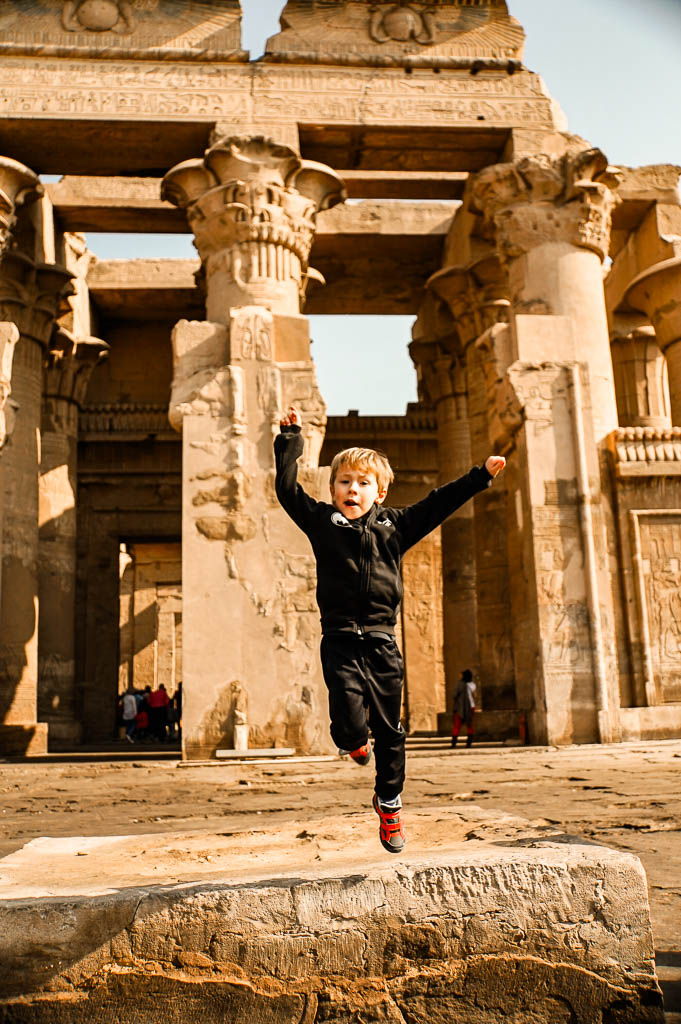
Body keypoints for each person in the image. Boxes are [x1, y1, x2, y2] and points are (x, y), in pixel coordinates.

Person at [275, 405, 505, 854]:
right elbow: (286, 490)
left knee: (392, 730)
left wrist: (479, 477)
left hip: (382, 640)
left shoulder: (394, 526)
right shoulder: (322, 524)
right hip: (340, 637)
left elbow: (438, 503)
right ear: (333, 488)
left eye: (363, 483)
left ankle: (390, 804)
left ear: (380, 491)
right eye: (345, 482)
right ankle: (352, 741)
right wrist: (290, 440)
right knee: (347, 715)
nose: (352, 490)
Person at [451, 668, 476, 748]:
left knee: (457, 725)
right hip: (471, 707)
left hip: (460, 708)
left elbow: (454, 695)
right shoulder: (473, 685)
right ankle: (469, 743)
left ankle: (453, 744)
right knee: (469, 725)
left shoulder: (459, 684)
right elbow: (474, 695)